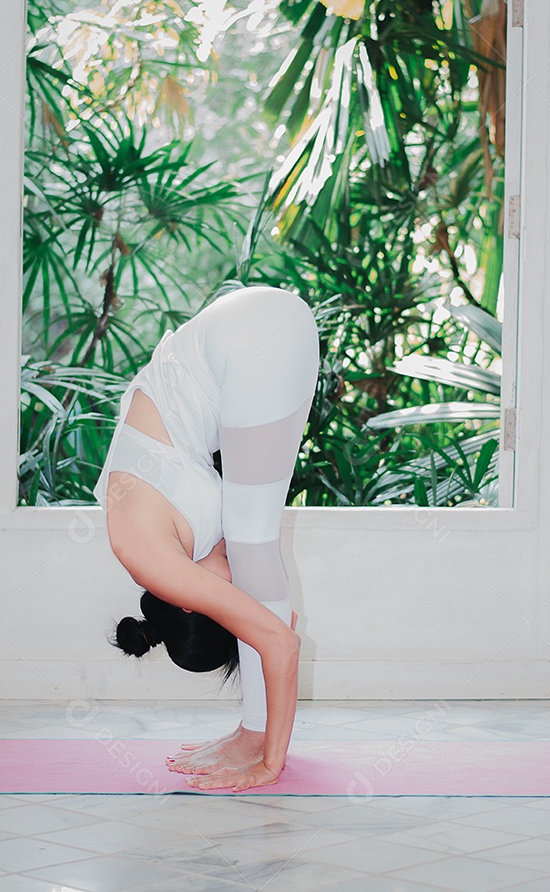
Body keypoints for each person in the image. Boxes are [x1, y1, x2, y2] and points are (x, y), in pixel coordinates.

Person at [93, 283, 320, 792]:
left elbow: (281, 642)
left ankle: (255, 738)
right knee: (251, 547)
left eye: (225, 601)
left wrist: (269, 764)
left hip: (252, 338)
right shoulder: (179, 545)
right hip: (257, 323)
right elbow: (278, 617)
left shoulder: (153, 559)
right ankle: (250, 731)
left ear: (196, 606)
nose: (233, 588)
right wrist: (255, 618)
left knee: (253, 544)